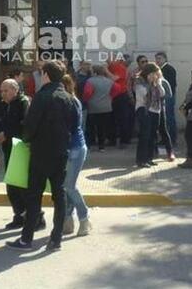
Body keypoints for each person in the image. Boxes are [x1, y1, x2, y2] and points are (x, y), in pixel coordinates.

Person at [7, 60, 78, 252]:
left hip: (40, 153)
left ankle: (26, 239)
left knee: (33, 195)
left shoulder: (42, 96)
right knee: (59, 195)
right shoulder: (69, 97)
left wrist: (27, 140)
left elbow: (30, 125)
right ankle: (55, 240)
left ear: (46, 74)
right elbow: (74, 124)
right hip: (61, 152)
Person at [0, 79, 30, 230]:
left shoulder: (23, 103)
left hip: (20, 149)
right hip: (9, 149)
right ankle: (19, 215)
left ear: (15, 90)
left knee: (21, 186)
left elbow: (24, 125)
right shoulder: (7, 104)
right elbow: (4, 122)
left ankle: (33, 217)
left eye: (6, 91)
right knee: (12, 185)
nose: (3, 94)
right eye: (1, 91)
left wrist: (6, 134)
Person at [61, 75, 92, 237]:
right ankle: (68, 219)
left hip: (76, 148)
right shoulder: (69, 101)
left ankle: (84, 218)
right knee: (67, 187)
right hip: (69, 149)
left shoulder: (72, 102)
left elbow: (69, 128)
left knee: (69, 186)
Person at [134, 62, 164, 168]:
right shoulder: (140, 81)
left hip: (155, 110)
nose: (155, 76)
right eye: (153, 73)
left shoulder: (156, 82)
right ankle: (141, 160)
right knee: (145, 135)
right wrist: (150, 85)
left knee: (153, 135)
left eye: (157, 74)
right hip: (144, 109)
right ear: (148, 73)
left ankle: (149, 158)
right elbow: (142, 96)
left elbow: (162, 94)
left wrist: (158, 84)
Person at [82, 64, 115, 150]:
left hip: (93, 107)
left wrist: (85, 100)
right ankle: (102, 145)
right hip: (107, 106)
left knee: (91, 126)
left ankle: (90, 143)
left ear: (94, 72)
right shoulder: (109, 81)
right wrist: (110, 97)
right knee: (103, 127)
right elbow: (116, 89)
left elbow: (87, 93)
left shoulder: (90, 81)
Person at [108, 57, 133, 148]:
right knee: (111, 119)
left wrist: (105, 71)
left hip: (121, 95)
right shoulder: (110, 67)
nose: (107, 60)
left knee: (123, 119)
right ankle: (112, 140)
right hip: (111, 96)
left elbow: (115, 78)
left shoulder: (120, 68)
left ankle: (124, 141)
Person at [155, 52, 178, 144]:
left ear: (165, 59)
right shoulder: (159, 69)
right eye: (156, 58)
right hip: (162, 96)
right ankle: (165, 139)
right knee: (163, 119)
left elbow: (171, 85)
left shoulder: (169, 69)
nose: (157, 60)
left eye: (159, 58)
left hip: (168, 96)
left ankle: (172, 138)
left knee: (169, 117)